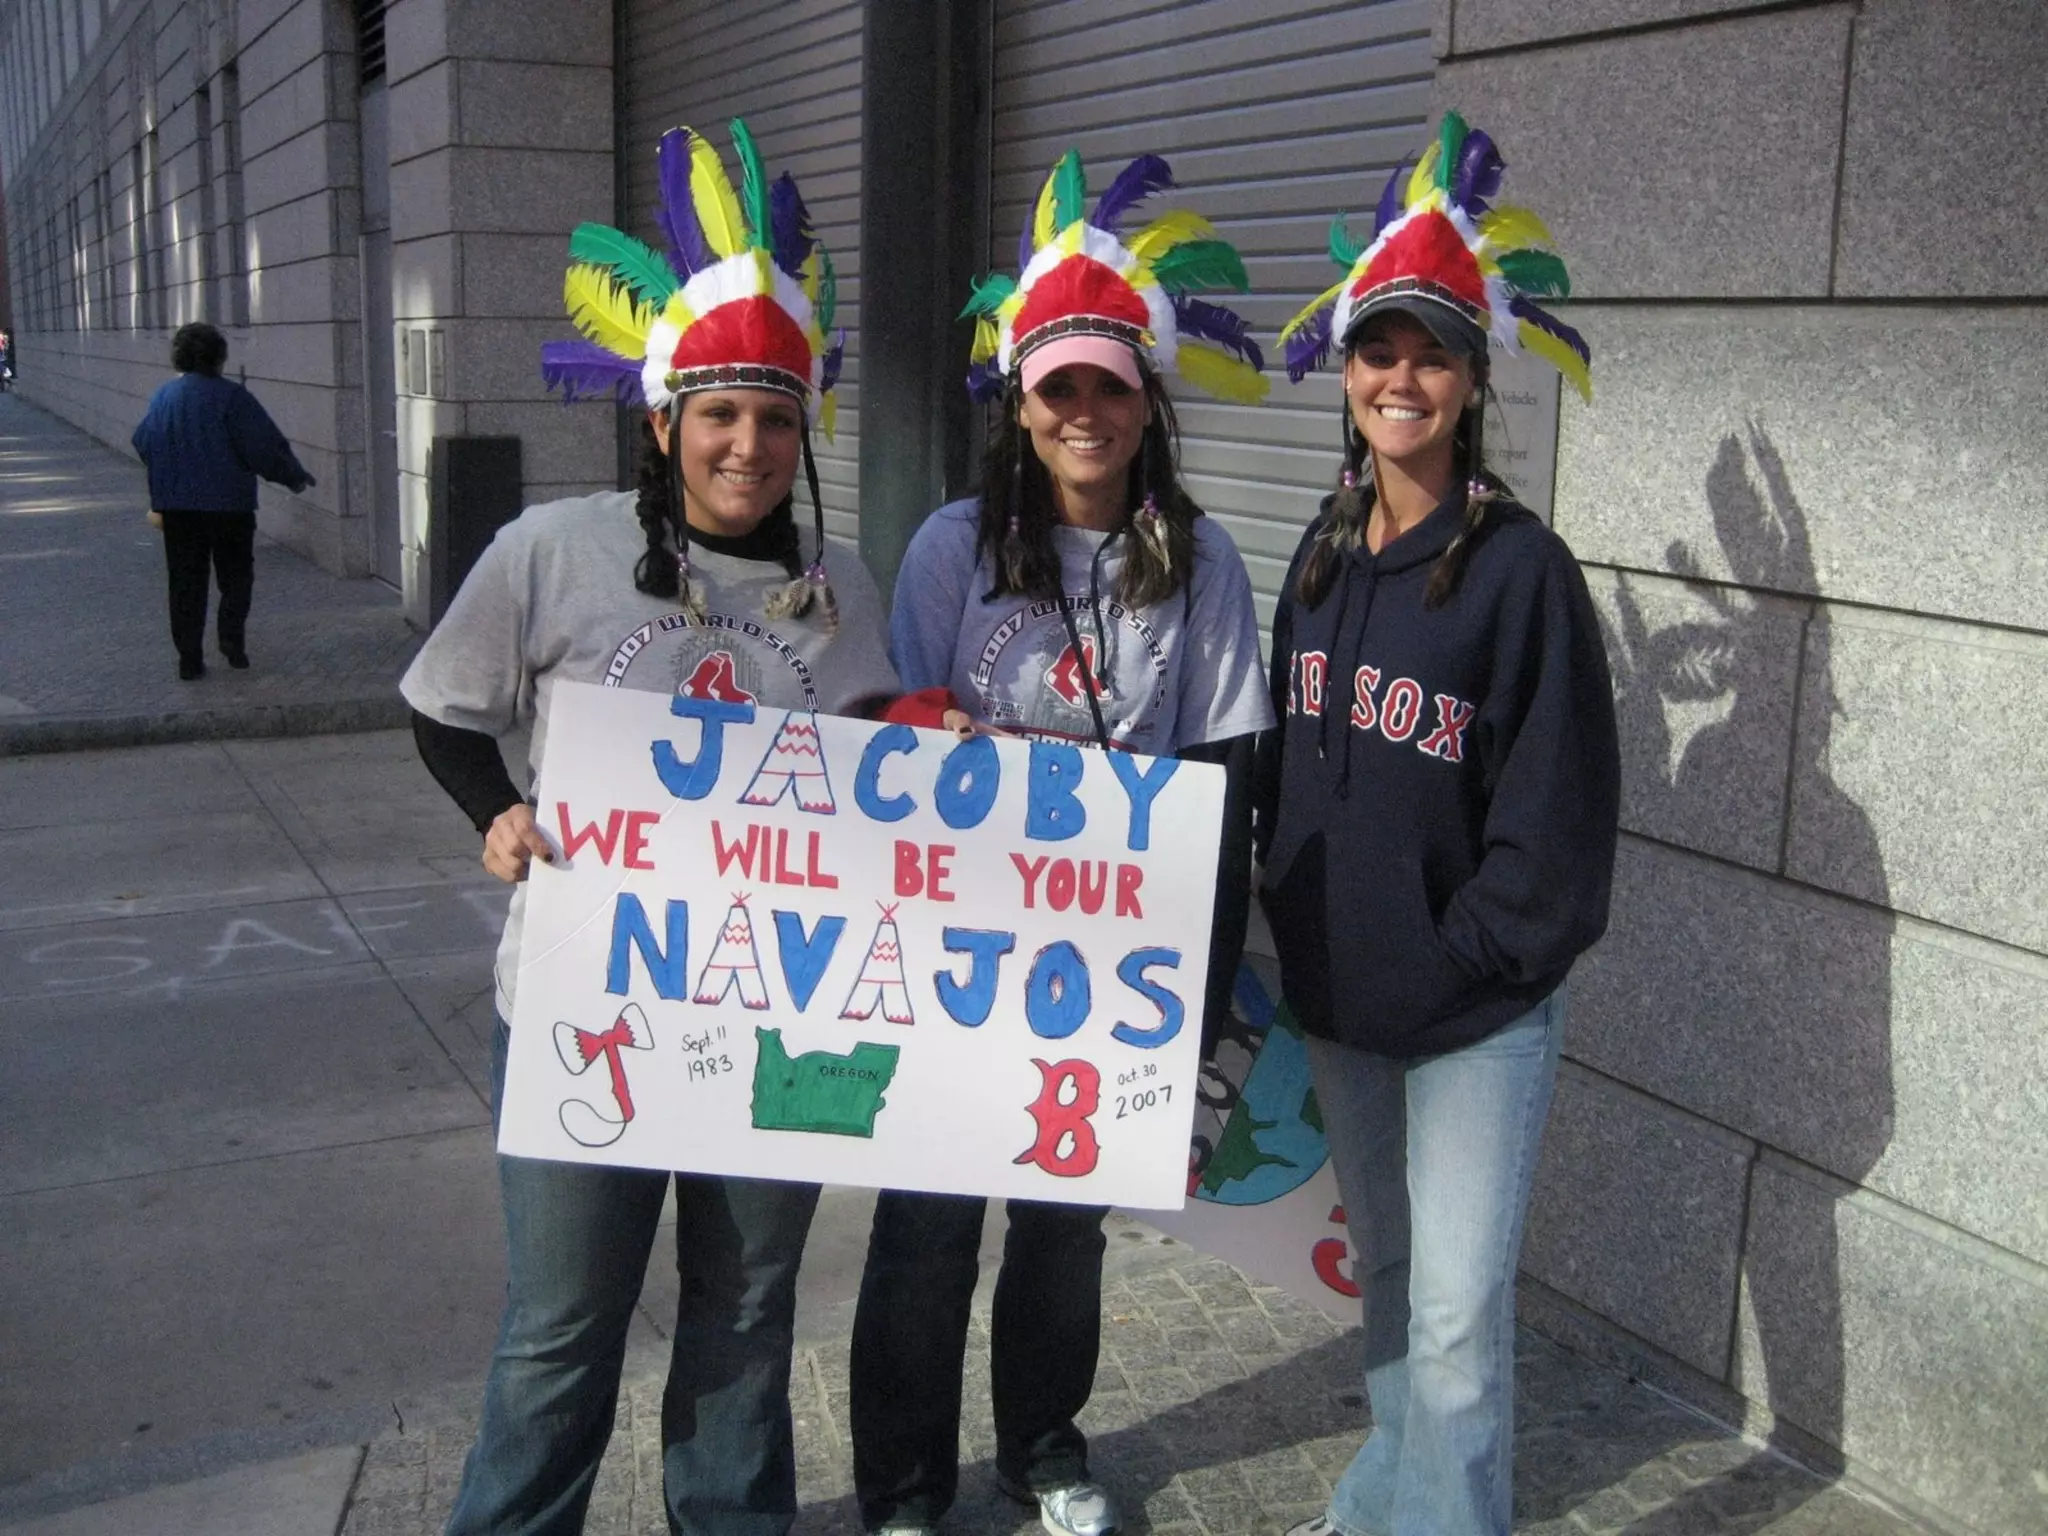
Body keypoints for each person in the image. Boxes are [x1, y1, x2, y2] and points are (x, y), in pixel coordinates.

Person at [403, 121, 904, 1536]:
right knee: (563, 1327)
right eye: (720, 413)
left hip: (774, 1012)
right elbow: (442, 709)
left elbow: (880, 764)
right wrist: (499, 813)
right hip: (587, 1004)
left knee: (746, 1314)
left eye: (777, 417)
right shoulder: (549, 551)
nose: (749, 444)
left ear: (806, 429)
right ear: (663, 419)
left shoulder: (845, 583)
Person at [851, 148, 1276, 1536]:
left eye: (1109, 386)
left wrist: (1199, 993)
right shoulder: (952, 549)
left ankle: (1042, 1451)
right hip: (957, 946)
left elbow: (1221, 778)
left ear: (1147, 400)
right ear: (1021, 407)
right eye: (1059, 389)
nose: (1085, 412)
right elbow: (890, 749)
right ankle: (903, 1489)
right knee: (927, 1227)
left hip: (1108, 961)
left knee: (1060, 1223)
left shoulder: (1203, 562)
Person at [1258, 113, 1620, 1536]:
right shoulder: (1320, 551)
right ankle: (1386, 1498)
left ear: (1472, 379)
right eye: (1377, 350)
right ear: (1345, 370)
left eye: (1430, 354)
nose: (1399, 378)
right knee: (1394, 1285)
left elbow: (1559, 823)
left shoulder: (1524, 572)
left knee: (1462, 1320)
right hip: (1344, 1009)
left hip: (1472, 1018)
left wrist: (1457, 955)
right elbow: (1288, 769)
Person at [131, 321, 313, 679]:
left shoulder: (163, 397)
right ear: (219, 357)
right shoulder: (232, 397)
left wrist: (169, 473)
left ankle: (189, 658)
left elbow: (143, 442)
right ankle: (232, 642)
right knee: (235, 578)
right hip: (230, 505)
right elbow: (261, 446)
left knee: (185, 582)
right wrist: (293, 475)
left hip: (178, 506)